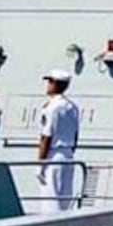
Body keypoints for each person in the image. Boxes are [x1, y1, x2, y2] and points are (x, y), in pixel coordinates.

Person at [36, 70, 81, 212]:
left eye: (49, 82)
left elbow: (46, 137)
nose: (47, 85)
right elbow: (75, 135)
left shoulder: (51, 108)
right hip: (68, 155)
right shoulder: (72, 107)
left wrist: (40, 164)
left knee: (50, 199)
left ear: (56, 84)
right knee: (64, 200)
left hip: (53, 156)